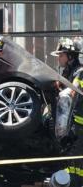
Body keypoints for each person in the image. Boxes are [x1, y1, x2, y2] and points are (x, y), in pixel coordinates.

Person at [50, 37, 83, 187]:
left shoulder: (80, 72)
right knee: (68, 160)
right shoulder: (68, 72)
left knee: (76, 164)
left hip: (79, 126)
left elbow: (70, 93)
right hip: (72, 125)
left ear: (70, 56)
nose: (59, 58)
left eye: (61, 55)